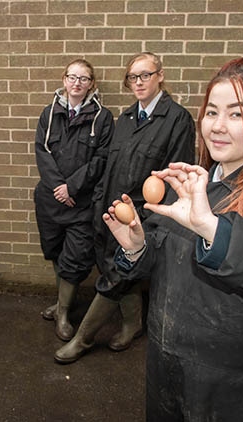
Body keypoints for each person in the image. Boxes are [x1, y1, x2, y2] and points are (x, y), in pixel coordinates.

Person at [103, 53, 243, 421]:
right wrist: (135, 248)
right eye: (212, 112)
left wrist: (212, 228)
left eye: (236, 114)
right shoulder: (195, 186)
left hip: (233, 389)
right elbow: (164, 258)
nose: (217, 126)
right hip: (166, 370)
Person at [55, 52, 195, 362]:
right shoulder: (127, 118)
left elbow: (176, 179)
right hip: (111, 211)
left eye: (146, 75)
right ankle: (133, 324)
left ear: (160, 75)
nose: (139, 82)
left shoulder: (177, 120)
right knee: (114, 268)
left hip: (141, 219)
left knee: (116, 275)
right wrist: (98, 205)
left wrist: (146, 221)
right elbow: (110, 166)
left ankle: (83, 339)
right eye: (133, 77)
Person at [34, 59, 114, 341]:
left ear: (92, 83)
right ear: (64, 80)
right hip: (50, 200)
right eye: (72, 77)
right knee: (55, 251)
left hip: (80, 202)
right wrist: (58, 187)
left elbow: (101, 159)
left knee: (76, 257)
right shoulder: (49, 113)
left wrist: (72, 187)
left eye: (84, 78)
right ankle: (61, 303)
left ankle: (64, 315)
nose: (77, 83)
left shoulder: (103, 118)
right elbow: (41, 152)